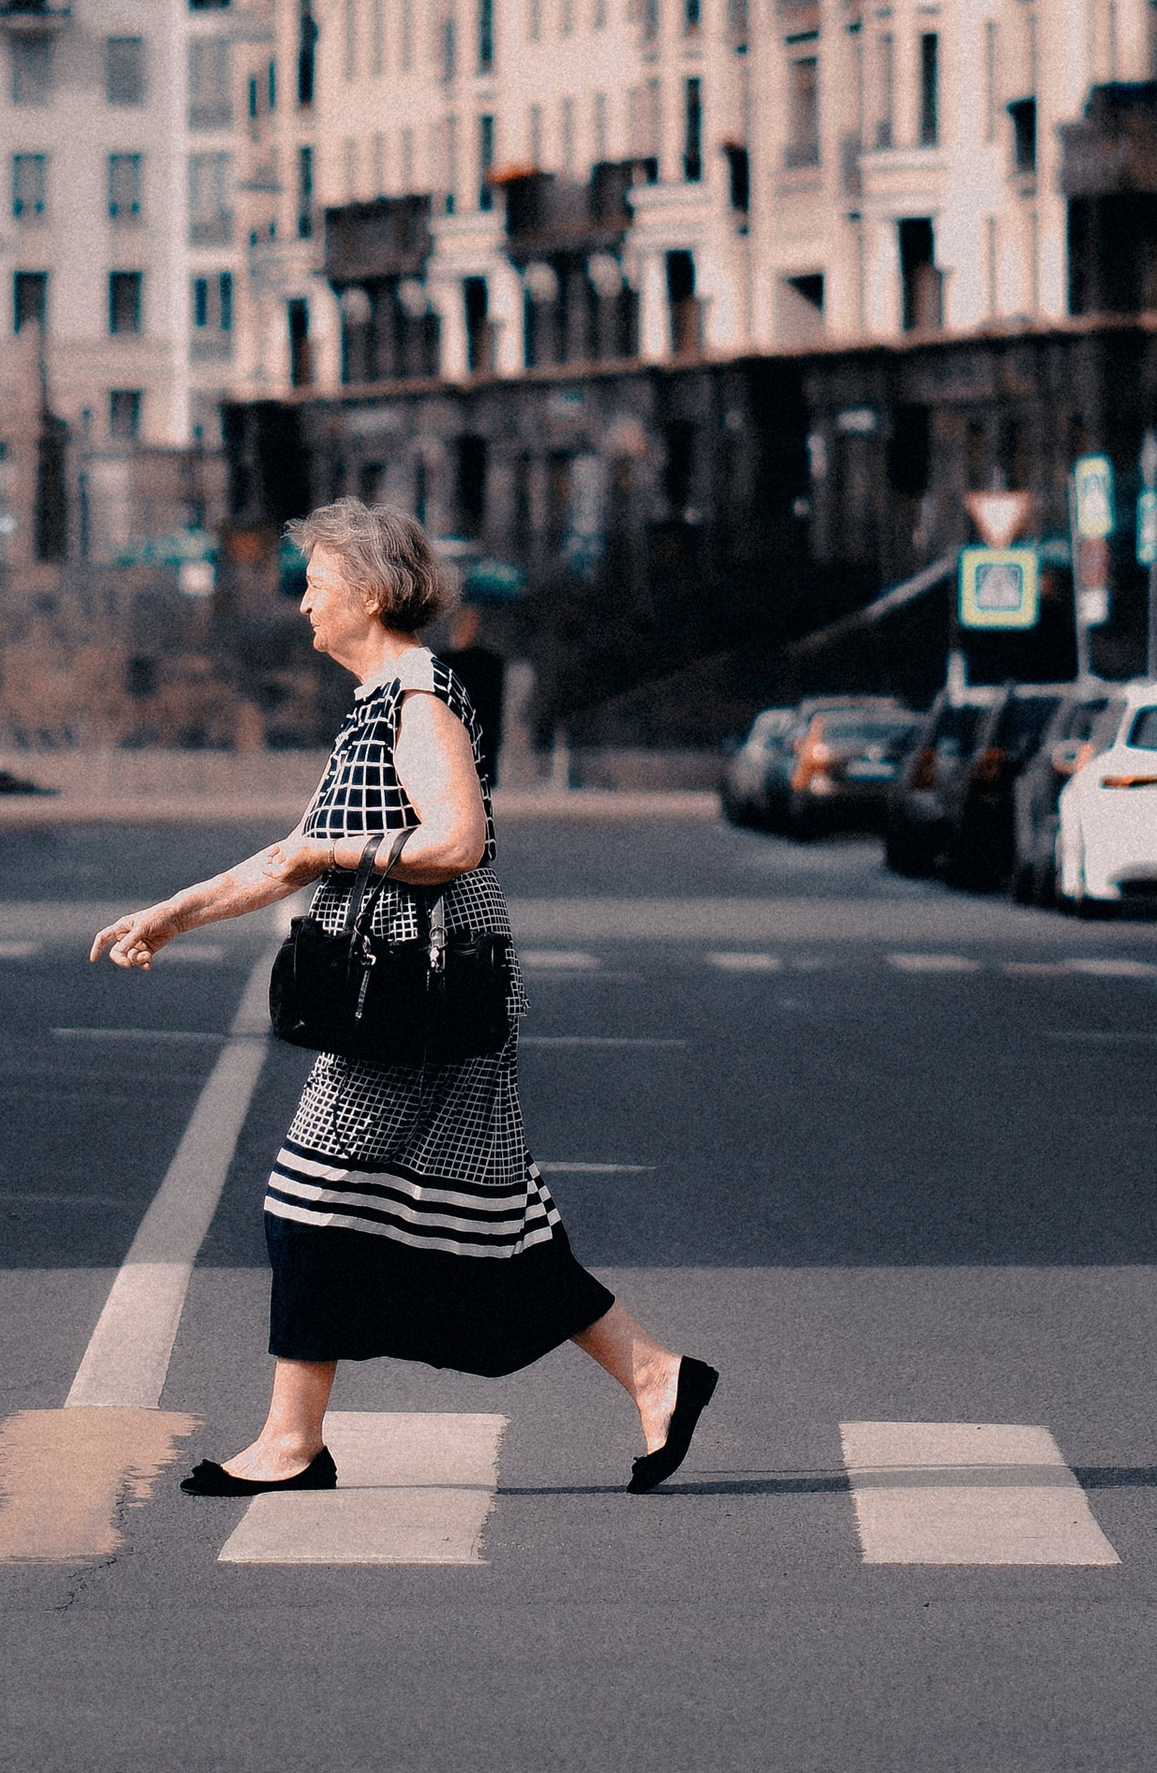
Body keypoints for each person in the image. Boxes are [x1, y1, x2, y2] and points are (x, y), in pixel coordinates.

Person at [91, 499, 716, 1498]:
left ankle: (293, 1444)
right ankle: (655, 1375)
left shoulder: (418, 697)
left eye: (317, 584)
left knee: (311, 1201)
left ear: (372, 595)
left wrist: (341, 853)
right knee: (492, 1216)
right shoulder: (379, 699)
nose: (302, 604)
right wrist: (175, 912)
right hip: (414, 986)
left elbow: (454, 841)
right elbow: (290, 855)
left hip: (423, 988)